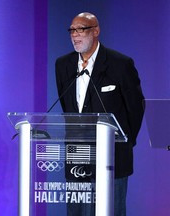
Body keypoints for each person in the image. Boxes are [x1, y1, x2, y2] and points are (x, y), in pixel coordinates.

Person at [55, 12, 144, 216]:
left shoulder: (120, 64)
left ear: (96, 31)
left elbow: (135, 108)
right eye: (72, 30)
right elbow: (67, 104)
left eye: (81, 29)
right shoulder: (62, 65)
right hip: (77, 153)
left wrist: (125, 141)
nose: (75, 35)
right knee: (76, 211)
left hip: (112, 154)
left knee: (110, 210)